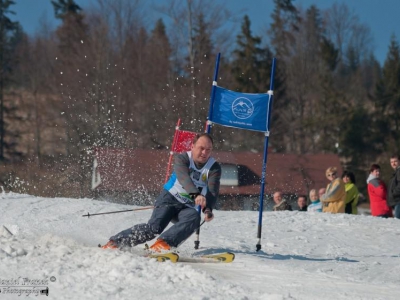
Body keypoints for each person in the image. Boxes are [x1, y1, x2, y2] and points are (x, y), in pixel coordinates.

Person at [102, 133, 221, 251]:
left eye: (208, 150)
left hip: (187, 207)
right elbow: (184, 179)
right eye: (201, 148)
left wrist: (208, 210)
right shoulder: (183, 158)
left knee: (194, 217)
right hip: (169, 198)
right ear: (192, 146)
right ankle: (116, 242)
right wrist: (196, 195)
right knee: (154, 228)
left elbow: (212, 191)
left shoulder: (214, 167)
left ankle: (164, 244)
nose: (204, 153)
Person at [388, 154, 400, 219]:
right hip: (396, 201)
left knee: (397, 223)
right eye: (391, 162)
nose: (393, 164)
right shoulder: (396, 172)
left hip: (398, 201)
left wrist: (393, 194)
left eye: (395, 161)